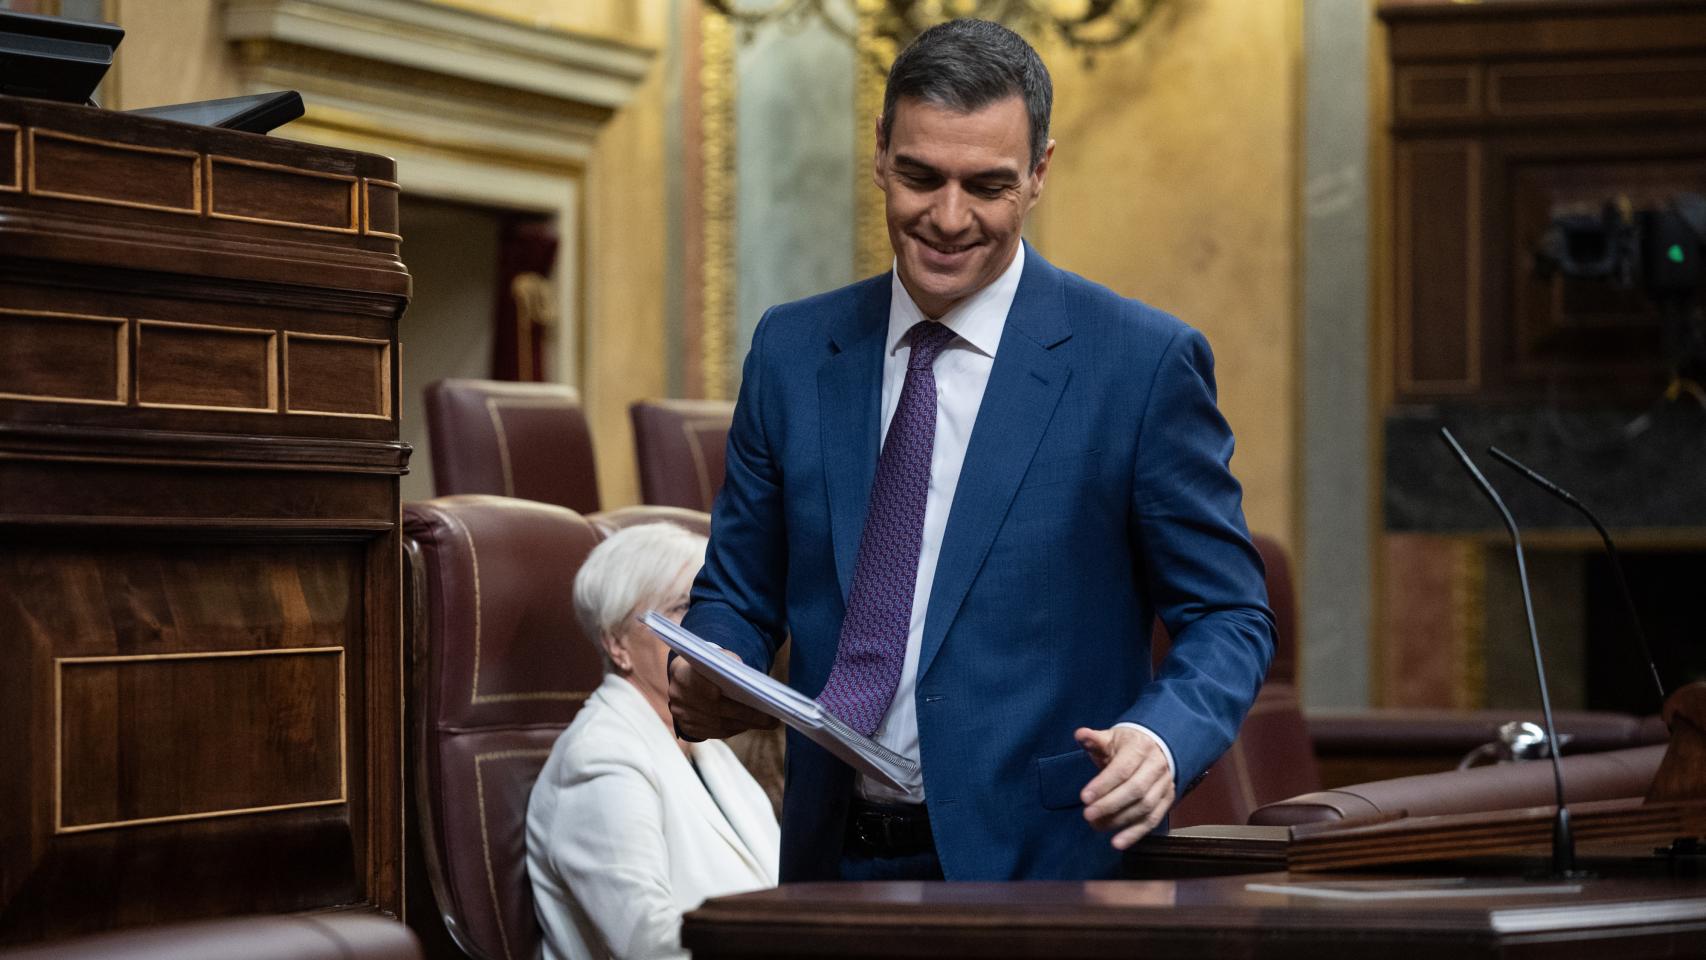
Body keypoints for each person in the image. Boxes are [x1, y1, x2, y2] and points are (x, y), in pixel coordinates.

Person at [670, 18, 1274, 882]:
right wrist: (711, 660)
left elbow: (1228, 615)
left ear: (1039, 173)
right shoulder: (791, 351)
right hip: (828, 866)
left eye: (986, 186)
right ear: (880, 152)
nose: (948, 219)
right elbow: (737, 593)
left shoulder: (1139, 366)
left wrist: (1164, 737)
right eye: (921, 176)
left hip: (1047, 874)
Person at [527, 523, 779, 960]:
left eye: (712, 608)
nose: (709, 631)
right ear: (617, 643)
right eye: (684, 608)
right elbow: (647, 943)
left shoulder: (709, 749)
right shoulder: (599, 755)